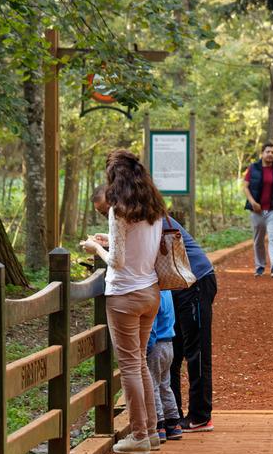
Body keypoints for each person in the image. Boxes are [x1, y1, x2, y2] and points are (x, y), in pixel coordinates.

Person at [91, 186, 217, 435]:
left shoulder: (145, 211)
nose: (106, 215)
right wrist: (110, 239)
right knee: (174, 347)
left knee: (196, 350)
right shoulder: (137, 212)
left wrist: (103, 249)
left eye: (105, 210)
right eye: (101, 213)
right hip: (175, 284)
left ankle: (201, 416)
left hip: (195, 279)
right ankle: (173, 417)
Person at [80, 149, 165, 454]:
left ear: (114, 177)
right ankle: (152, 432)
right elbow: (140, 246)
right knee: (139, 360)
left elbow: (115, 261)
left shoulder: (119, 209)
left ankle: (139, 435)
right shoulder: (153, 207)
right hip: (150, 292)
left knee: (129, 365)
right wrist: (109, 238)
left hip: (125, 296)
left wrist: (94, 248)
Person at [244, 143, 273, 277]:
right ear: (262, 153)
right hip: (257, 211)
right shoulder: (253, 168)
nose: (270, 154)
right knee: (258, 239)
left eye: (272, 152)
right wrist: (253, 202)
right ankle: (260, 266)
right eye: (267, 152)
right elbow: (245, 187)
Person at [147, 290, 182, 442]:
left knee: (152, 384)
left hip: (156, 345)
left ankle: (158, 424)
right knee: (165, 385)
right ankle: (173, 423)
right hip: (169, 343)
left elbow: (152, 326)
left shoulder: (155, 293)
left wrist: (147, 347)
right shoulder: (167, 291)